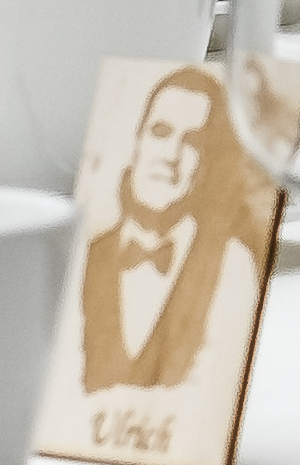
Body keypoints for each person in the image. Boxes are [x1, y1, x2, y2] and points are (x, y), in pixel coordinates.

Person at [82, 70, 231, 396]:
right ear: (137, 142)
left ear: (207, 162)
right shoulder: (87, 256)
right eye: (160, 132)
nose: (171, 155)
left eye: (192, 142)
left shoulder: (230, 268)